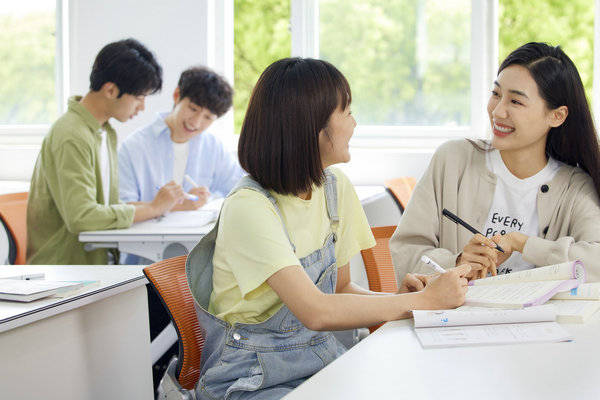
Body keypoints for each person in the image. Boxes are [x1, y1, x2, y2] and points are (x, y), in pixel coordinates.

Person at [186, 57, 470, 399]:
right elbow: (316, 311)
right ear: (311, 126)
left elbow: (341, 289)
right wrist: (421, 301)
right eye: (347, 112)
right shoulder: (249, 207)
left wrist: (405, 300)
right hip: (251, 378)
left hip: (318, 361)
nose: (354, 124)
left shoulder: (335, 187)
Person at [390, 42, 600, 282]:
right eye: (496, 94)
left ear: (557, 115)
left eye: (516, 102)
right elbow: (404, 254)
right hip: (455, 318)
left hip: (537, 319)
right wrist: (457, 262)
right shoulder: (453, 161)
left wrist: (522, 243)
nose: (498, 111)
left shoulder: (575, 187)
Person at [27, 38, 186, 265]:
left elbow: (106, 207)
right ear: (111, 90)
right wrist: (152, 208)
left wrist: (160, 205)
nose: (142, 107)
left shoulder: (105, 132)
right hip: (68, 270)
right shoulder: (71, 135)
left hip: (99, 262)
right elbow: (82, 217)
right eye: (139, 97)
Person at [118, 65, 244, 208]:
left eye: (208, 117)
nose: (196, 122)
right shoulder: (134, 146)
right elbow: (122, 208)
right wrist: (175, 206)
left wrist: (210, 199)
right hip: (150, 230)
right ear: (177, 95)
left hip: (200, 230)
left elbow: (240, 191)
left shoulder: (214, 148)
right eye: (193, 109)